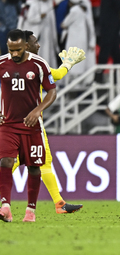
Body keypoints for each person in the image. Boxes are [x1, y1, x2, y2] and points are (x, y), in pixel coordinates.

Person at [10, 30, 85, 214]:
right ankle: (59, 204)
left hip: (13, 124)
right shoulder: (34, 66)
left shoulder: (25, 65)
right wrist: (68, 63)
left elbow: (55, 76)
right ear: (26, 45)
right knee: (33, 162)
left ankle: (59, 204)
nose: (39, 45)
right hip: (29, 124)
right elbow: (57, 75)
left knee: (29, 162)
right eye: (35, 42)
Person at [0, 29, 57, 222]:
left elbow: (51, 92)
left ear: (25, 46)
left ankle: (30, 210)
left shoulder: (39, 64)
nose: (14, 54)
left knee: (34, 167)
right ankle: (5, 206)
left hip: (32, 125)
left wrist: (37, 110)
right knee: (5, 161)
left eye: (17, 50)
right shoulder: (1, 63)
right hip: (7, 123)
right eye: (10, 50)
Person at [61, 0, 95, 83]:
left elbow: (64, 24)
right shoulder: (83, 11)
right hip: (82, 40)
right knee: (80, 63)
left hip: (74, 40)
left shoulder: (74, 10)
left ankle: (72, 82)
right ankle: (79, 81)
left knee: (72, 63)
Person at [17, 0, 59, 68]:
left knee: (46, 54)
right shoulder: (31, 4)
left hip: (45, 35)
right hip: (34, 35)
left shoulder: (47, 4)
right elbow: (27, 19)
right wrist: (40, 17)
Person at [94, 0, 120, 83]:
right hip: (109, 27)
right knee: (105, 53)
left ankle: (115, 77)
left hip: (112, 28)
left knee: (116, 54)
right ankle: (98, 76)